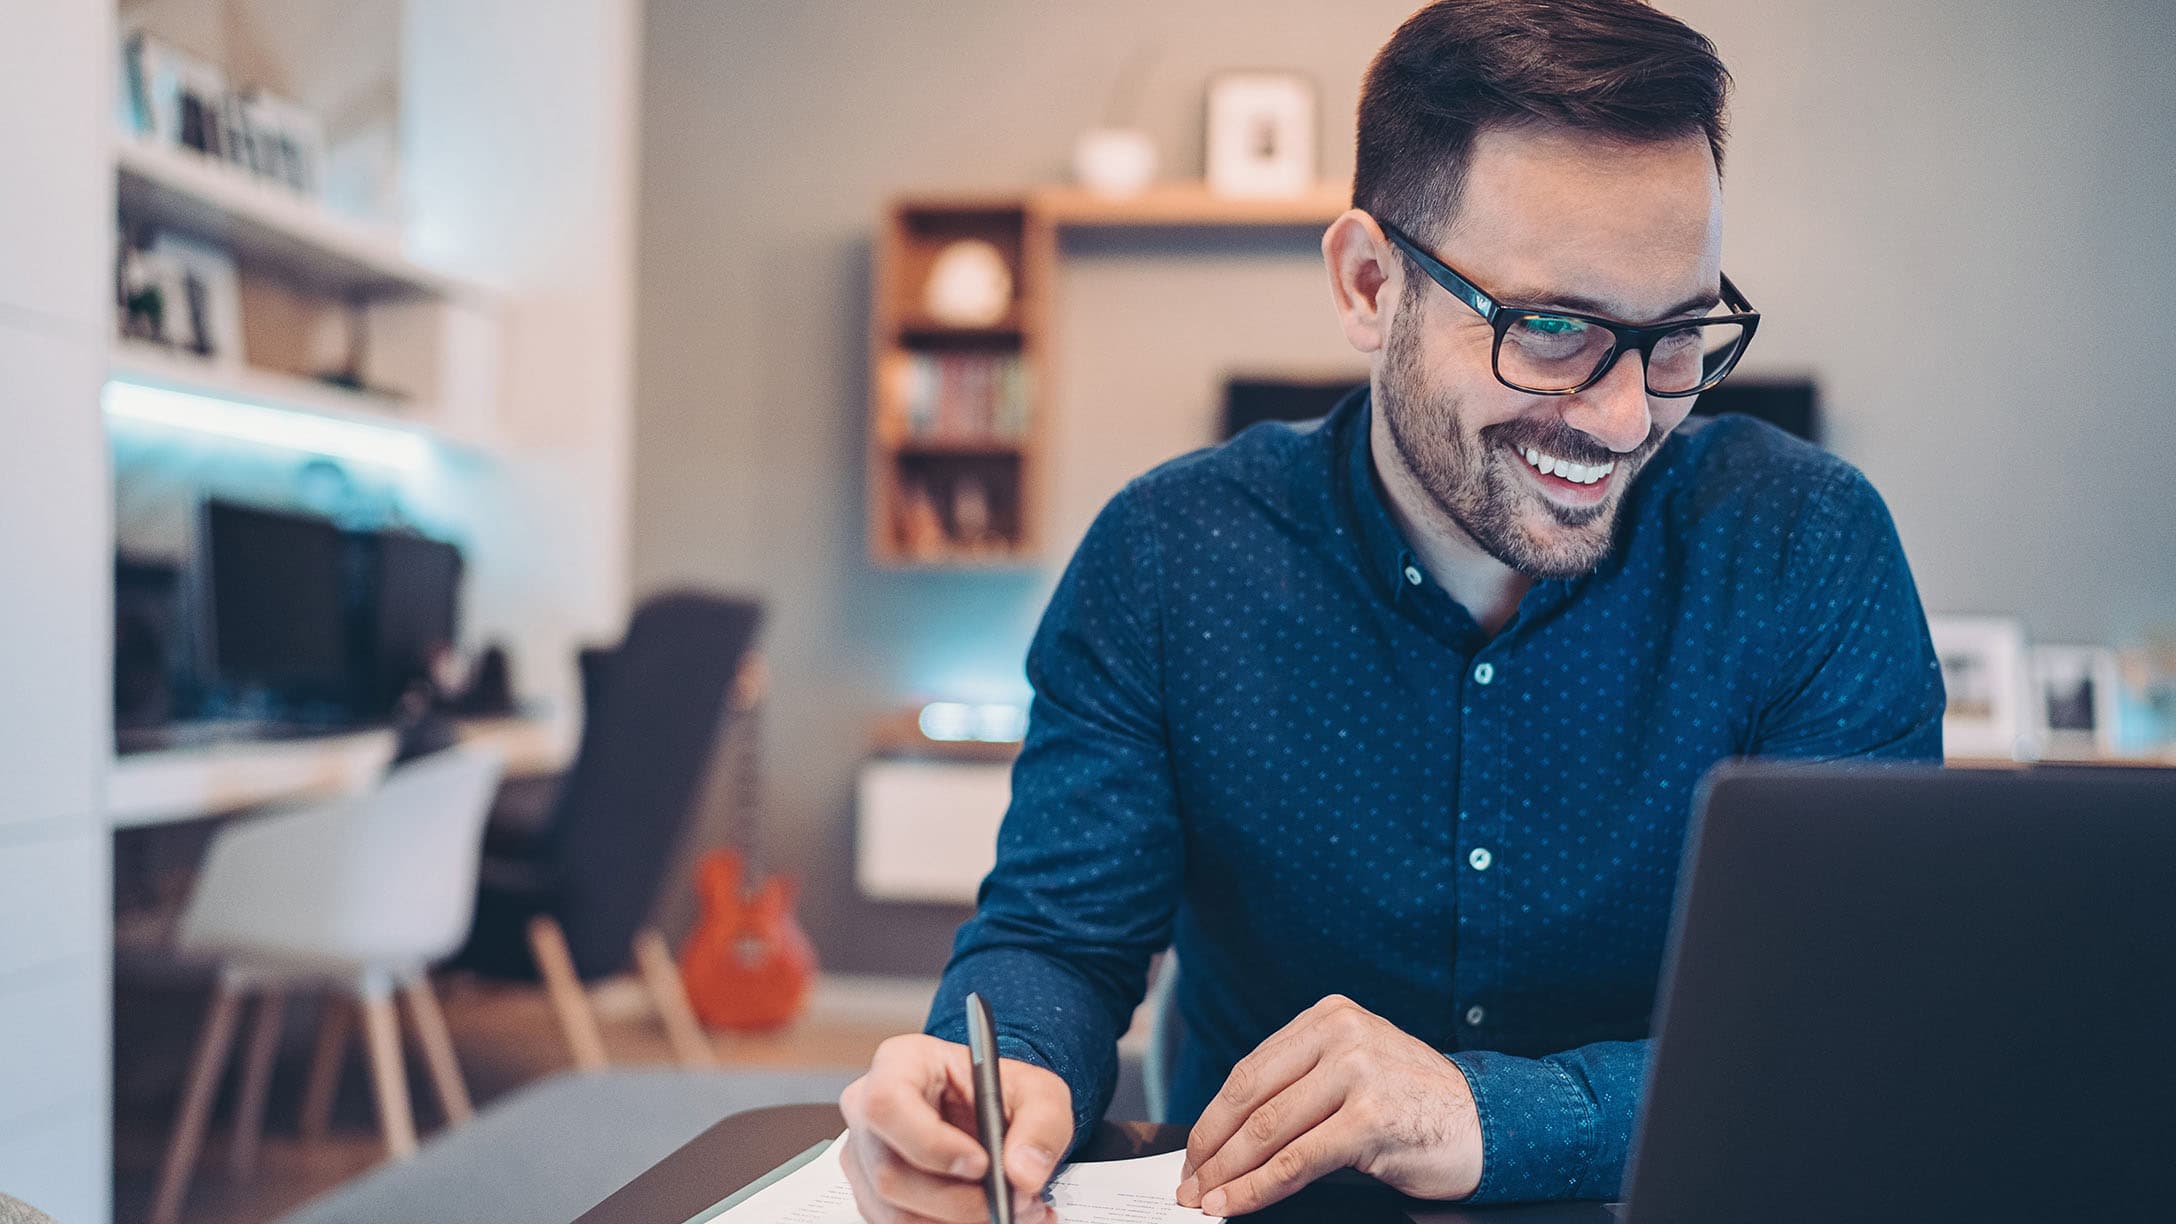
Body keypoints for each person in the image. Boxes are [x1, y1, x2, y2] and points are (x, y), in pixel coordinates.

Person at [839, 0, 1945, 1213]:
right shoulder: (1166, 558)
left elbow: (1852, 1034)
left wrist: (1495, 1116)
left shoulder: (1807, 548)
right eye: (1554, 327)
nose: (1627, 415)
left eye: (1676, 336)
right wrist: (1001, 1081)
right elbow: (1057, 940)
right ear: (1369, 284)